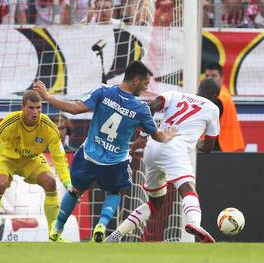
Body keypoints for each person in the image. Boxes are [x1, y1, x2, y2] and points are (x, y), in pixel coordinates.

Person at [33, 61, 177, 242]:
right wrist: (168, 135)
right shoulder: (141, 109)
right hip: (115, 162)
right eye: (146, 83)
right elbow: (157, 136)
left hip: (89, 155)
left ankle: (57, 228)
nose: (147, 88)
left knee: (75, 190)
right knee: (114, 192)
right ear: (136, 80)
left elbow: (76, 108)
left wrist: (48, 96)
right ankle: (101, 225)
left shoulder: (103, 91)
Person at [106, 78, 221, 243]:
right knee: (188, 189)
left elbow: (151, 107)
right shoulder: (212, 108)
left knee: (156, 201)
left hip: (153, 146)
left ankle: (116, 235)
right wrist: (194, 141)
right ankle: (195, 224)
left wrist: (145, 136)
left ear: (199, 88)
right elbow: (208, 147)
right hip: (174, 148)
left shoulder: (175, 95)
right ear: (216, 95)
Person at [0, 90, 72, 242]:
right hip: (7, 160)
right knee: (0, 184)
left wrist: (67, 182)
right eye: (31, 108)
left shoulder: (49, 127)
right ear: (23, 107)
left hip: (31, 160)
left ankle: (55, 235)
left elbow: (59, 157)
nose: (35, 112)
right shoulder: (9, 122)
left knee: (50, 182)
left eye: (38, 108)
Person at [204, 63, 245, 152]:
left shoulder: (218, 98)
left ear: (222, 78)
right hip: (229, 147)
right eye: (207, 76)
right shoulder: (223, 92)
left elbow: (206, 123)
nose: (209, 79)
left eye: (214, 76)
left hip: (220, 148)